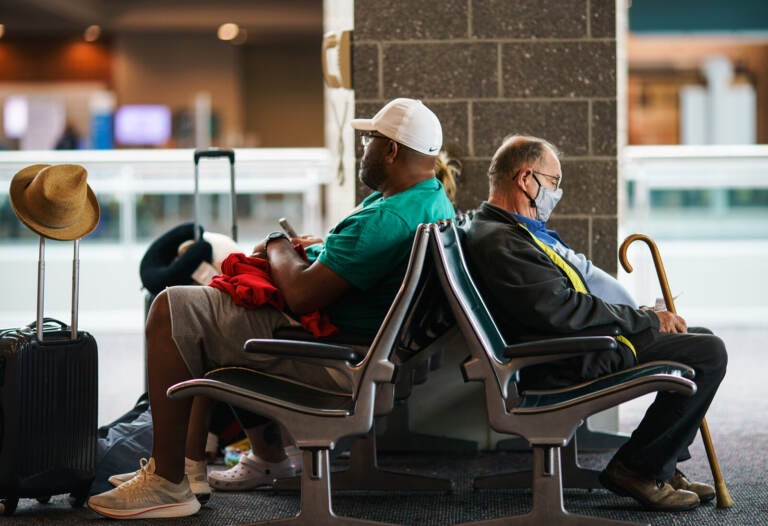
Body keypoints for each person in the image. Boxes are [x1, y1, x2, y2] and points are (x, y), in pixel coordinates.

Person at [88, 98, 455, 519]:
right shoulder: (430, 200)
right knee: (209, 315)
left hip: (338, 361)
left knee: (171, 309)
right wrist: (319, 251)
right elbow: (349, 263)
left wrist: (277, 246)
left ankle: (168, 480)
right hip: (368, 350)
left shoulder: (389, 217)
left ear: (391, 150)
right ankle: (189, 470)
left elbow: (300, 295)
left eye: (371, 139)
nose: (365, 148)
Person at [463, 135, 727, 512]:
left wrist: (639, 318)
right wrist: (643, 319)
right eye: (553, 182)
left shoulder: (506, 230)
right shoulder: (502, 240)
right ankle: (637, 468)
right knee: (708, 352)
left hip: (579, 344)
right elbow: (562, 311)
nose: (556, 192)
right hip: (567, 357)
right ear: (526, 179)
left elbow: (560, 303)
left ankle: (658, 464)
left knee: (699, 339)